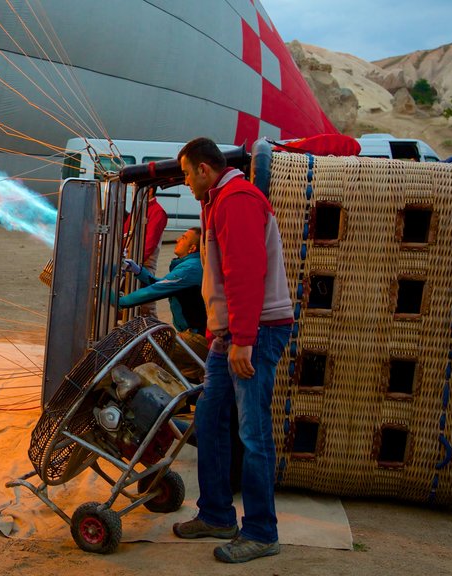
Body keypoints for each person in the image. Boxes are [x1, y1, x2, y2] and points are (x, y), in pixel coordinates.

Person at [171, 137, 293, 564]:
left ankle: (261, 531)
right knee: (209, 417)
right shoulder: (218, 200)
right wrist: (220, 332)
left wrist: (243, 338)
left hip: (254, 333)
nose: (185, 182)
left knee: (253, 432)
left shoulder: (237, 200)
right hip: (231, 335)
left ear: (205, 169)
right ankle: (218, 515)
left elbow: (245, 273)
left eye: (187, 174)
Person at [119, 226, 206, 336]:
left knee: (152, 351)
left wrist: (120, 302)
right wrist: (137, 271)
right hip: (191, 332)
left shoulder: (190, 269)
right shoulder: (192, 264)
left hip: (197, 336)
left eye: (183, 238)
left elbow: (154, 291)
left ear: (192, 248)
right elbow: (161, 285)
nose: (177, 239)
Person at [122, 185, 168, 317]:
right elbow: (126, 233)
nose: (133, 192)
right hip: (130, 262)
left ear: (150, 190)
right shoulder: (138, 209)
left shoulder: (158, 212)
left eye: (136, 188)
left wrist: (135, 262)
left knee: (146, 307)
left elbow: (150, 243)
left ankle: (155, 335)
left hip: (144, 264)